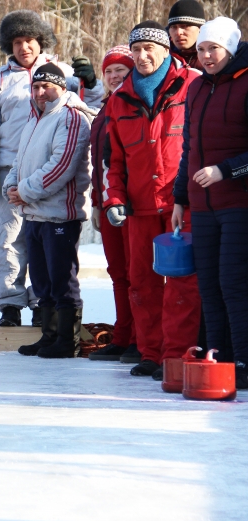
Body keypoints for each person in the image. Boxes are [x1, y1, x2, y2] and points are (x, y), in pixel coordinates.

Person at [0, 9, 104, 328]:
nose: (24, 47)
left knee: (46, 241)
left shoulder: (61, 72)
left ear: (40, 41)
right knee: (10, 239)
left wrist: (91, 82)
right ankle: (10, 302)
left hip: (51, 172)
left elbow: (93, 108)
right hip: (10, 172)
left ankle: (44, 303)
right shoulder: (0, 81)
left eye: (29, 40)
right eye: (17, 42)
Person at [103, 21, 201, 379]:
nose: (142, 56)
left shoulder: (191, 85)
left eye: (149, 49)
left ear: (165, 51)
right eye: (137, 50)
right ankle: (150, 353)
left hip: (181, 203)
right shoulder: (119, 98)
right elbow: (113, 160)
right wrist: (114, 197)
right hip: (139, 205)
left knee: (181, 284)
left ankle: (175, 356)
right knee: (141, 281)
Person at [172, 18, 248, 388]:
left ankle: (244, 360)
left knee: (235, 283)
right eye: (201, 50)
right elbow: (189, 148)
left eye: (212, 49)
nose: (205, 56)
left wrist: (226, 171)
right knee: (209, 285)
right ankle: (219, 354)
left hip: (239, 203)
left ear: (230, 49)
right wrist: (180, 197)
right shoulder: (198, 88)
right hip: (203, 206)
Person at [3, 64, 94, 358]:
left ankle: (68, 340)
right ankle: (49, 335)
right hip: (33, 215)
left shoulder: (71, 118)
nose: (41, 93)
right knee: (41, 280)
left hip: (59, 216)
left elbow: (61, 167)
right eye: (36, 87)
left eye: (47, 87)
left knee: (61, 279)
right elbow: (18, 162)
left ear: (62, 88)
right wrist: (10, 187)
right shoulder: (34, 121)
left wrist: (24, 191)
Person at [87, 46, 141, 363]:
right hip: (108, 203)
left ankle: (140, 338)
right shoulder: (104, 109)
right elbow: (100, 164)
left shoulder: (134, 103)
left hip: (133, 203)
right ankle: (123, 336)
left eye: (121, 69)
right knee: (118, 272)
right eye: (109, 71)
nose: (114, 75)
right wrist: (97, 202)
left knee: (138, 274)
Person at [167, 0, 205, 70]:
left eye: (185, 26)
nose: (178, 32)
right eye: (173, 27)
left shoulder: (213, 59)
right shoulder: (162, 57)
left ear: (200, 28)